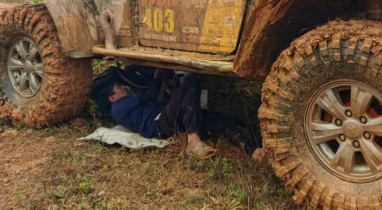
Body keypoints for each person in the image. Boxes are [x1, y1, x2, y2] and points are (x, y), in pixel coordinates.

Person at [98, 12, 260, 159]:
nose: (124, 87)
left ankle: (254, 151)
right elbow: (150, 95)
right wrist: (159, 72)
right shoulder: (118, 107)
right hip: (161, 123)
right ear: (113, 97)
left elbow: (152, 96)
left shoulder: (124, 105)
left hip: (173, 117)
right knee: (191, 83)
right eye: (119, 87)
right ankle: (193, 140)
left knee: (226, 121)